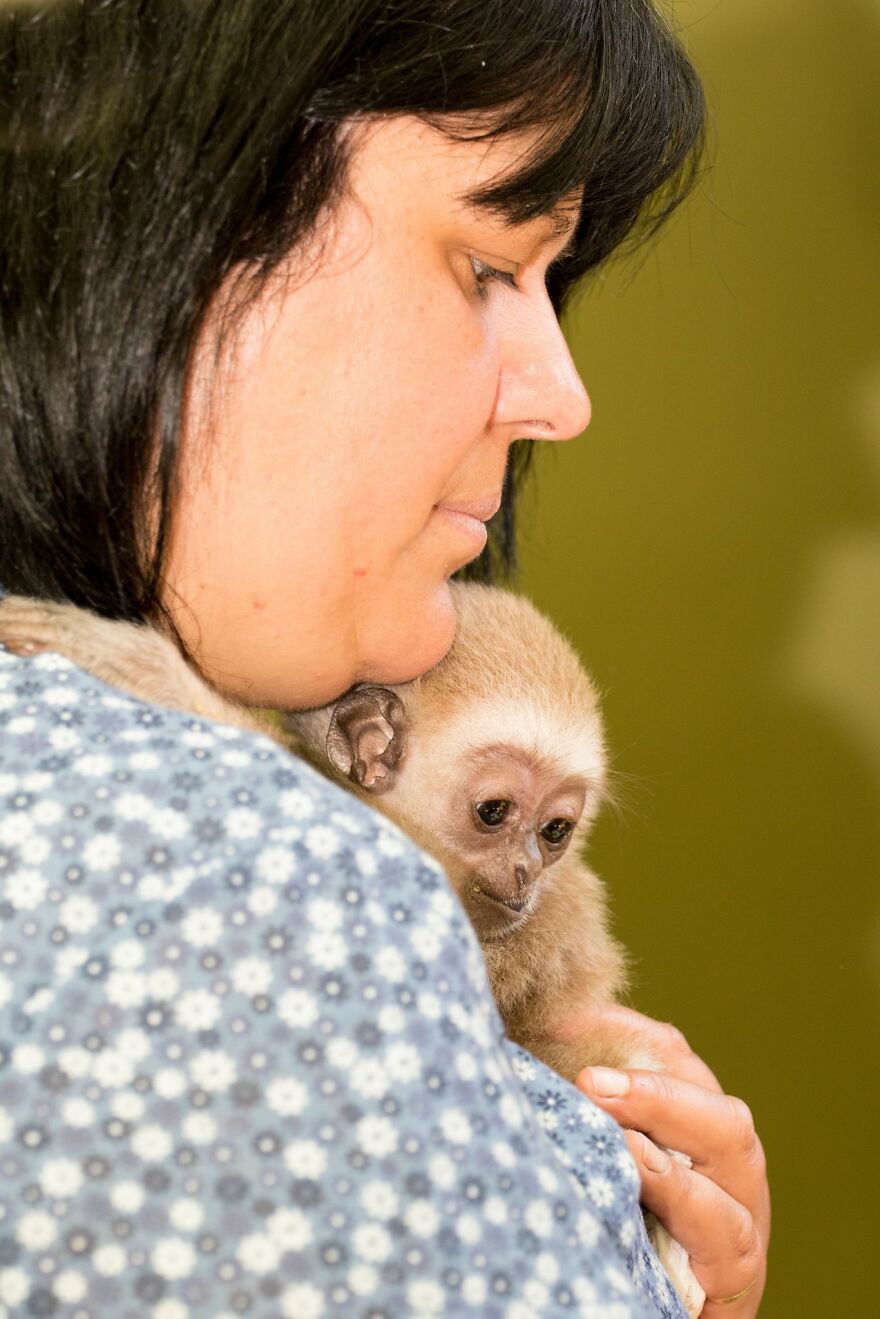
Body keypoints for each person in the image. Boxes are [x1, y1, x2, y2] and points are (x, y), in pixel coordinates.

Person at [0, 1, 769, 1315]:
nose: (563, 399)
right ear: (180, 241)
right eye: (488, 266)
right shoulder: (256, 883)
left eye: (551, 285)